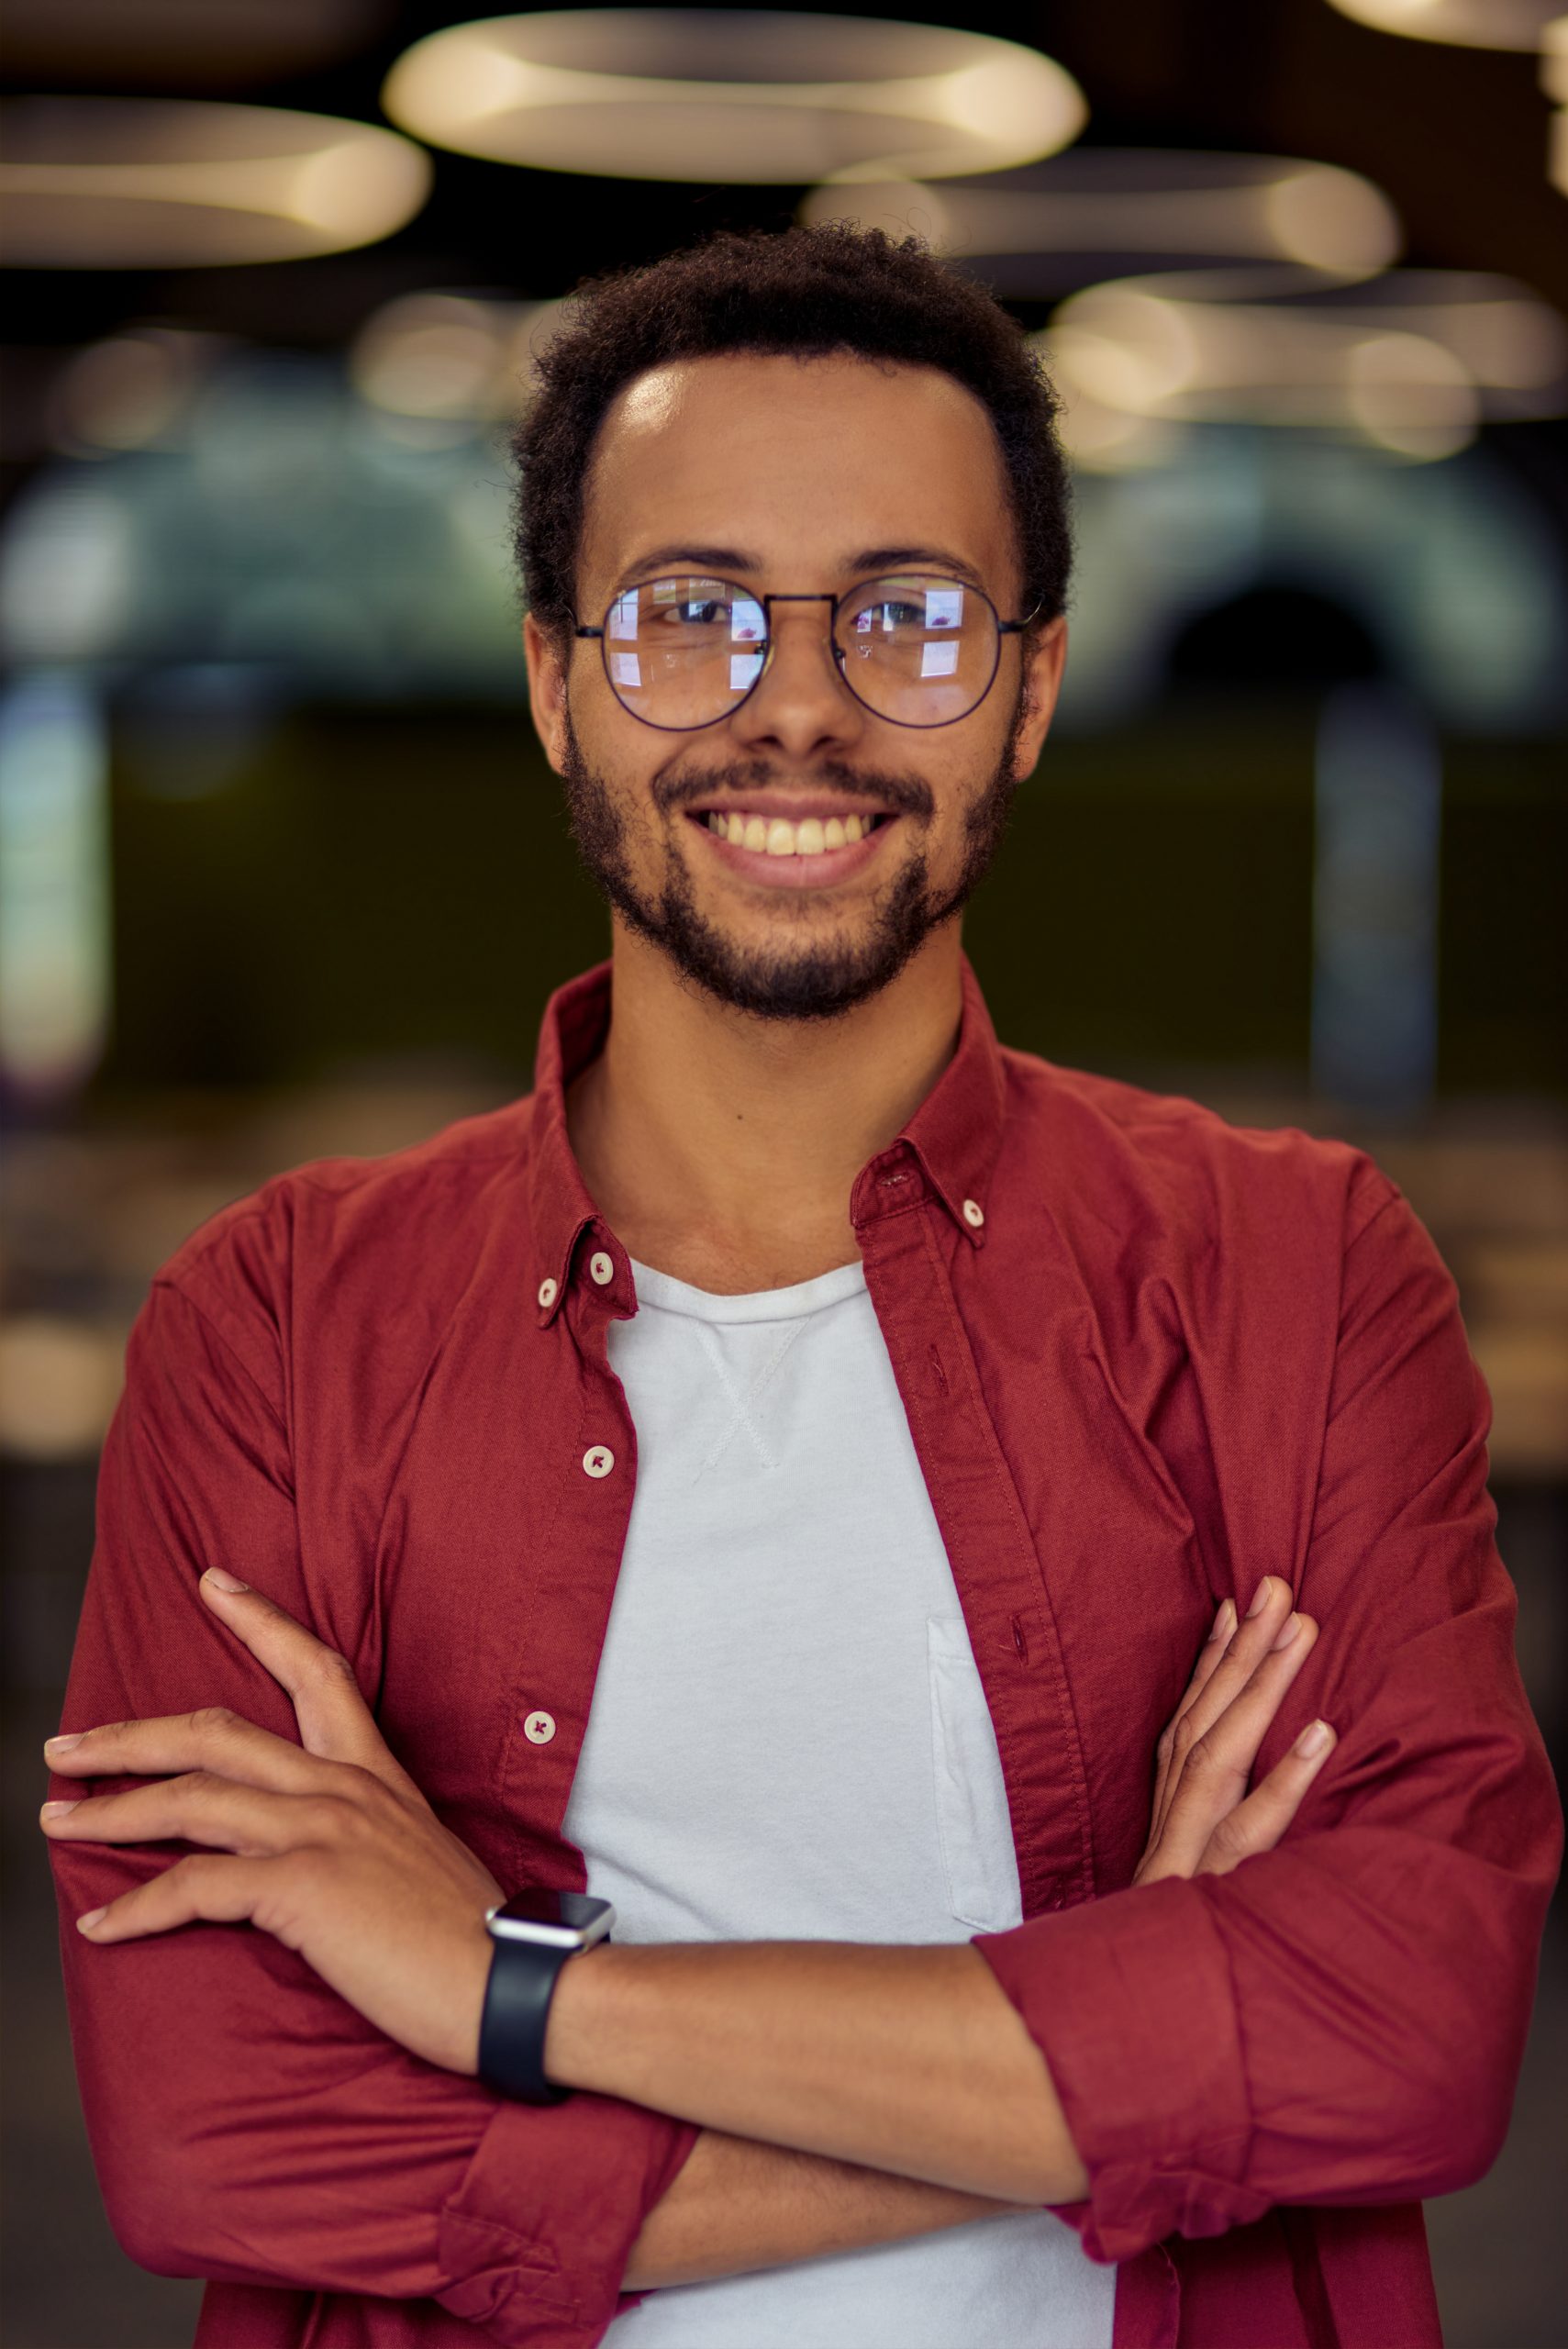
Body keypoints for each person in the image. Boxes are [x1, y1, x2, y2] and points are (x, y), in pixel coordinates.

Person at [42, 226, 1560, 2349]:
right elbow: (223, 2130)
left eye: (908, 617)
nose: (798, 707)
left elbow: (1398, 2029)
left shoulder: (1298, 1271)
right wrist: (1135, 2052)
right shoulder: (278, 1326)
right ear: (557, 674)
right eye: (691, 613)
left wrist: (505, 1984)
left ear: (1029, 686)